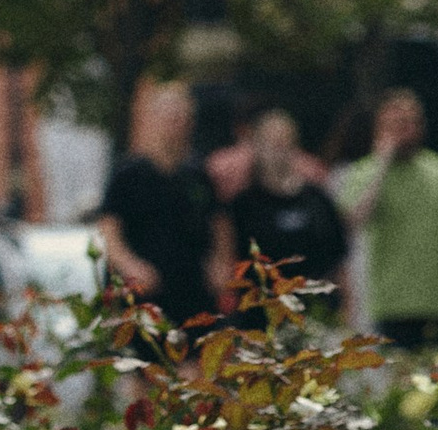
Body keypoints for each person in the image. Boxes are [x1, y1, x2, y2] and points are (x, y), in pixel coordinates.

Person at [336, 90, 438, 351]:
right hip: (391, 307)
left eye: (412, 122)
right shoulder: (365, 172)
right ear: (380, 128)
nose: (406, 130)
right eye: (397, 124)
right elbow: (353, 222)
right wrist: (382, 162)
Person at [96, 78, 215, 334]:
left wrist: (220, 264)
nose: (175, 125)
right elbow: (108, 230)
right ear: (152, 119)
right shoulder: (128, 174)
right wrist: (130, 266)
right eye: (169, 117)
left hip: (190, 295)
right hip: (140, 298)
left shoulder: (198, 175)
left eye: (181, 118)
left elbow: (219, 222)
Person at [215, 109, 348, 325]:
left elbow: (339, 261)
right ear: (256, 146)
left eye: (285, 142)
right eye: (272, 143)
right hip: (259, 316)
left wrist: (345, 312)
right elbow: (225, 263)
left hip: (313, 314)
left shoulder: (317, 200)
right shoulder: (242, 205)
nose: (279, 150)